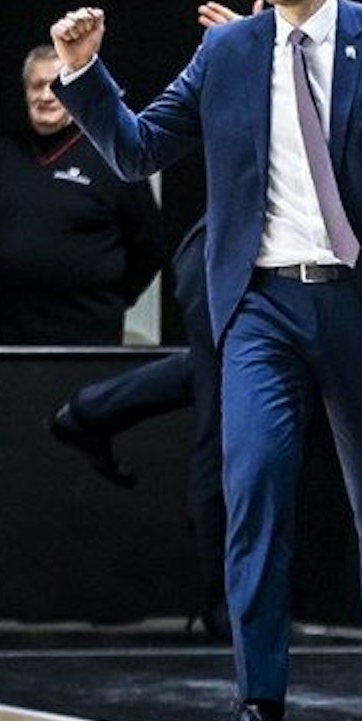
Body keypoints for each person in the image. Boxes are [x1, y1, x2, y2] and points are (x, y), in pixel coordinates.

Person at [49, 0, 362, 721]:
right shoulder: (230, 53)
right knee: (254, 492)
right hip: (260, 307)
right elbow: (137, 151)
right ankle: (258, 704)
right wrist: (81, 74)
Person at [47, 218, 228, 640]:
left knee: (209, 377)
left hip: (243, 262)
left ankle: (90, 410)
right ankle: (225, 604)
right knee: (221, 424)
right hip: (227, 263)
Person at [0, 45, 167, 345]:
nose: (46, 96)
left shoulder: (109, 154)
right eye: (36, 86)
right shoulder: (2, 156)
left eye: (57, 86)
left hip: (88, 335)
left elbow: (150, 243)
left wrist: (111, 294)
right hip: (11, 334)